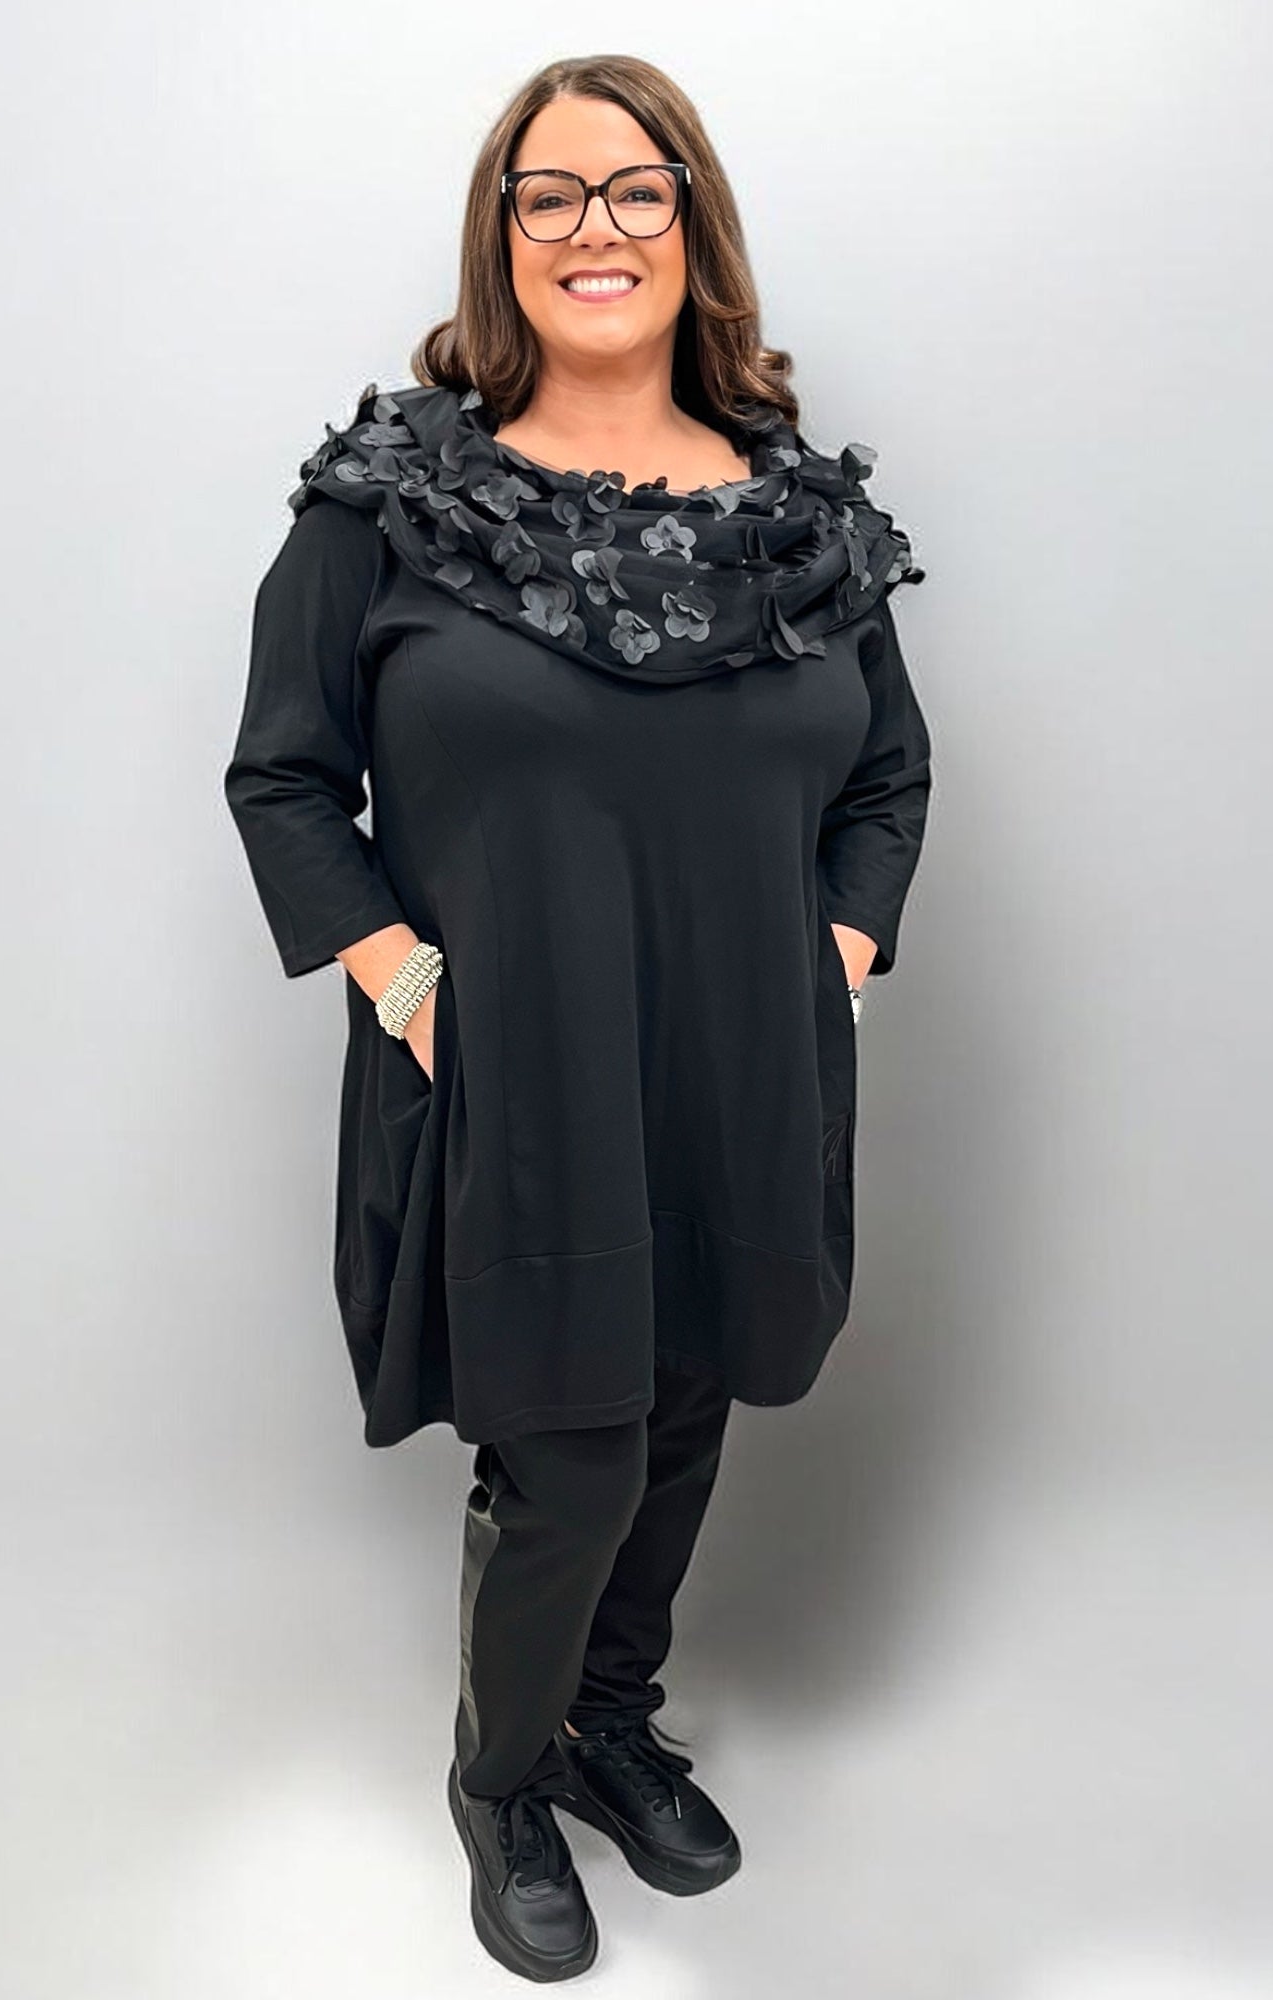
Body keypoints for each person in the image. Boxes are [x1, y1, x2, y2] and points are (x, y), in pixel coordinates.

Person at [223, 52, 934, 1984]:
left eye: (634, 190)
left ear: (691, 224)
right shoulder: (390, 503)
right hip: (515, 1069)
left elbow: (885, 777)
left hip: (743, 1067)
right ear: (502, 235)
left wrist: (834, 957)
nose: (591, 228)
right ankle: (504, 1776)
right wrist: (397, 977)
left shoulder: (797, 516)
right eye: (548, 194)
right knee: (574, 1448)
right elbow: (284, 777)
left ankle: (614, 1721)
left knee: (687, 1405)